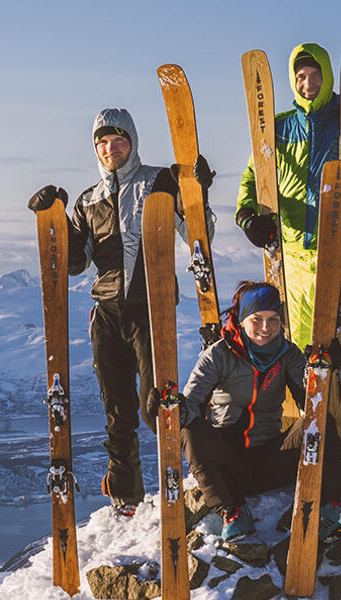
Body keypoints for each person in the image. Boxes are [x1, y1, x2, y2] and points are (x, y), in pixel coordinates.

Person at [27, 108, 212, 515]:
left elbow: (200, 234)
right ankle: (127, 495)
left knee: (156, 405)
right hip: (106, 312)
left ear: (132, 142)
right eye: (103, 144)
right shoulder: (88, 199)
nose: (111, 149)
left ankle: (207, 465)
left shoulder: (159, 181)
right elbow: (75, 263)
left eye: (119, 141)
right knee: (117, 412)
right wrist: (52, 218)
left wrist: (198, 192)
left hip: (152, 308)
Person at [234, 42, 341, 441]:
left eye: (315, 75)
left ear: (328, 76)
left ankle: (340, 429)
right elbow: (252, 179)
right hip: (293, 255)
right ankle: (305, 426)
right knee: (297, 345)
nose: (308, 83)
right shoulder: (279, 127)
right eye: (300, 77)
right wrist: (248, 215)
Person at [178, 281, 341, 540]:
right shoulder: (219, 355)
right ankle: (233, 512)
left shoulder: (287, 354)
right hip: (228, 465)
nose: (266, 328)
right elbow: (191, 403)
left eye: (273, 319)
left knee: (320, 421)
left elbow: (310, 402)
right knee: (189, 431)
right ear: (243, 319)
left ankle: (333, 505)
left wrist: (320, 374)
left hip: (271, 460)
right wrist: (174, 411)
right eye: (257, 319)